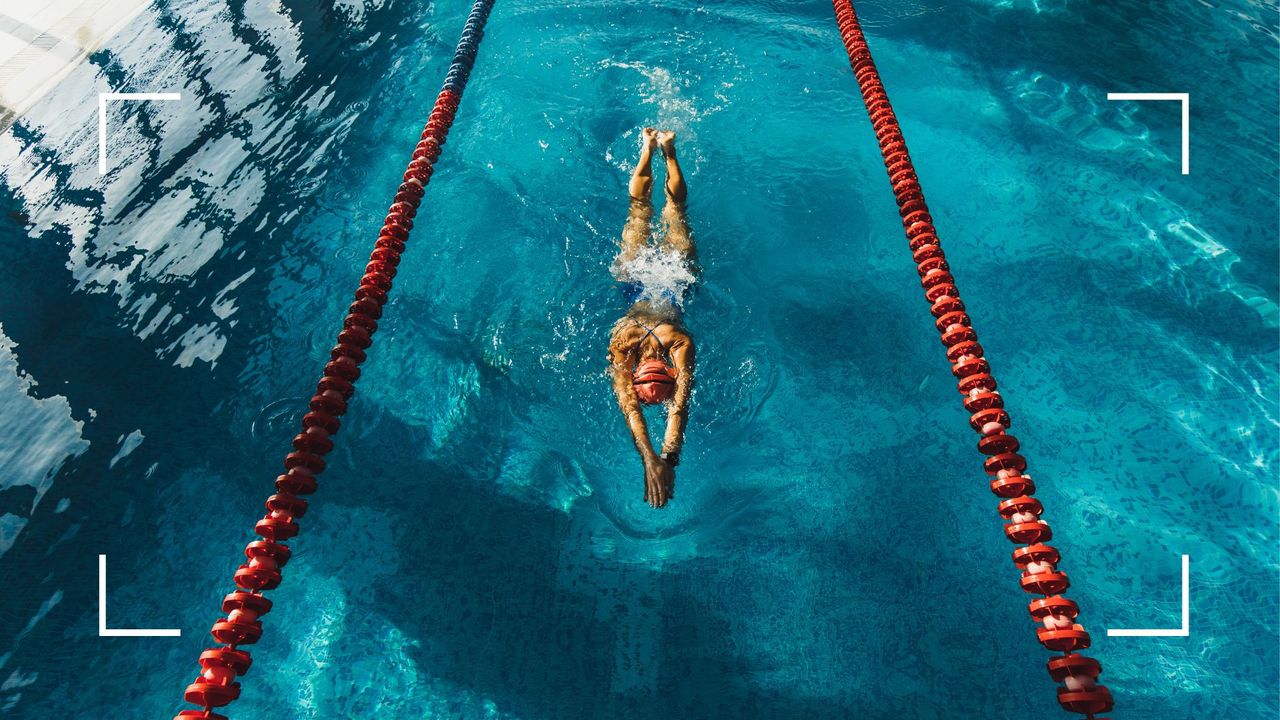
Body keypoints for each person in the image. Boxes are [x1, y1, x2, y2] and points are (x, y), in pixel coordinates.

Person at [607, 128, 697, 509]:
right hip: (633, 278)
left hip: (676, 278)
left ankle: (667, 150)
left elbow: (678, 405)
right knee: (640, 209)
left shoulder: (679, 342)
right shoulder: (624, 341)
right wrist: (655, 456)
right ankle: (652, 148)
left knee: (673, 213)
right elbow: (631, 404)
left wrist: (663, 458)